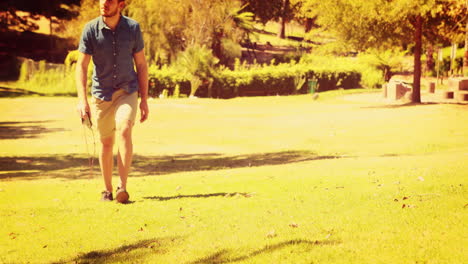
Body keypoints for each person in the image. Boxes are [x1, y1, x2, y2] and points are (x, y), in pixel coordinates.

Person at [76, 0, 149, 203]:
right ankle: (107, 190)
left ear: (120, 4)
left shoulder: (133, 28)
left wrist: (144, 100)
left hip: (127, 90)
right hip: (101, 94)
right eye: (102, 0)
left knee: (125, 129)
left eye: (109, 1)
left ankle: (122, 188)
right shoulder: (90, 30)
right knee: (106, 142)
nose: (104, 4)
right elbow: (81, 66)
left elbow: (141, 65)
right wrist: (82, 101)